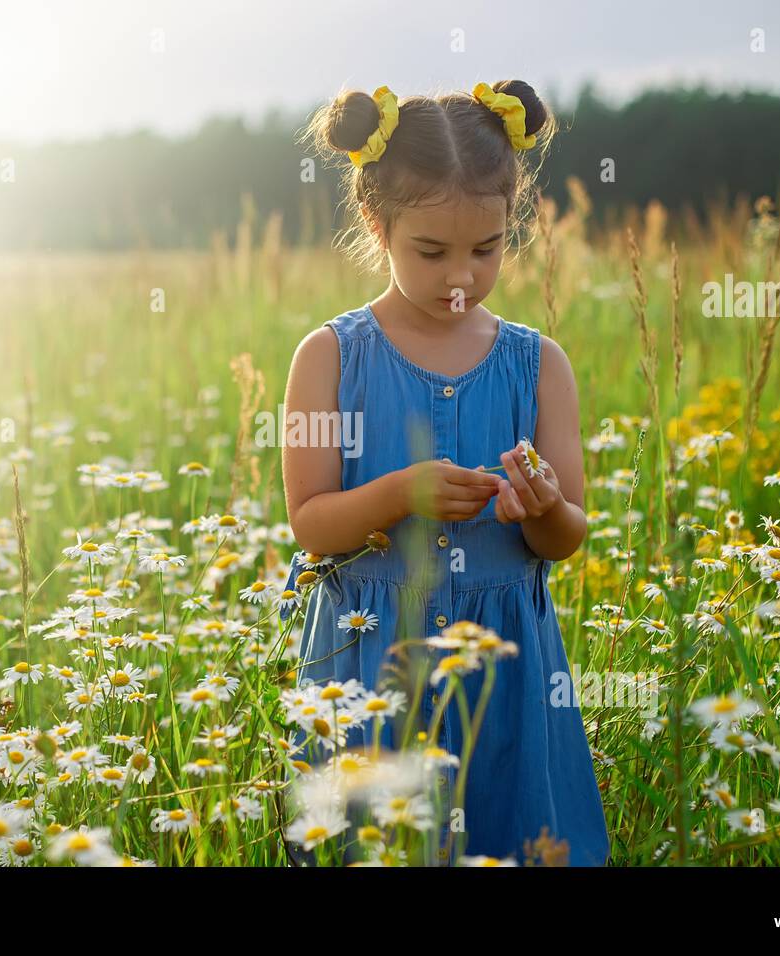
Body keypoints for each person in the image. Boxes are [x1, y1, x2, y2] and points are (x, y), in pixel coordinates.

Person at [277, 80, 610, 866]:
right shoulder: (327, 358)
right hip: (372, 661)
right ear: (375, 224)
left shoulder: (540, 366)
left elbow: (567, 537)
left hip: (506, 671)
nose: (461, 275)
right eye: (432, 252)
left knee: (506, 835)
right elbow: (310, 524)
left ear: (510, 226)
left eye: (486, 249)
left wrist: (544, 506)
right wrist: (402, 493)